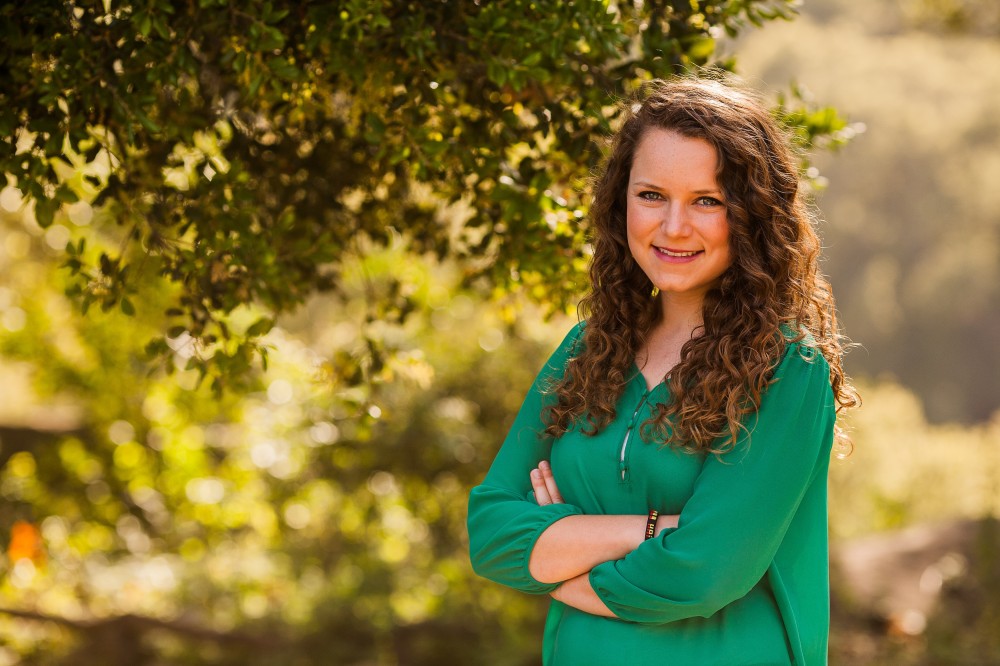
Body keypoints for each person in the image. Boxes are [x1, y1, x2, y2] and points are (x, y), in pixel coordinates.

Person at [467, 74, 860, 665]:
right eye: (652, 195)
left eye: (707, 201)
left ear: (752, 215)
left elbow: (702, 571)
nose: (674, 227)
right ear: (620, 200)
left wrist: (561, 553)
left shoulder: (789, 369)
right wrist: (655, 528)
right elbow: (492, 533)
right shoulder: (587, 349)